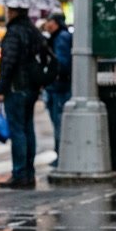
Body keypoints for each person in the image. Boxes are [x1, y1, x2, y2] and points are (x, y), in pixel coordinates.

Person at [0, 6, 45, 189]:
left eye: (9, 11)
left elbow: (8, 62)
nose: (7, 14)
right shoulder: (33, 31)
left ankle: (19, 173)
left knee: (18, 131)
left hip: (17, 87)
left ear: (14, 13)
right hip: (31, 87)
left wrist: (0, 88)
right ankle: (29, 173)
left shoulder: (14, 33)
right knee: (28, 128)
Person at [42, 12, 73, 161]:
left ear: (56, 23)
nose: (47, 24)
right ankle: (60, 154)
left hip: (59, 88)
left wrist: (50, 72)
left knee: (59, 123)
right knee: (58, 122)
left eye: (49, 21)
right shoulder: (58, 37)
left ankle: (61, 156)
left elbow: (62, 64)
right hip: (57, 87)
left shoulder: (61, 38)